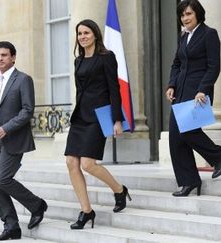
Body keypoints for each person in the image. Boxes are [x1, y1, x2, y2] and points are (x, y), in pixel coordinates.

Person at [64, 19, 131, 230]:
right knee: (71, 163)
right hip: (80, 117)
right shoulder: (78, 61)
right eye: (79, 33)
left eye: (86, 33)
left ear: (94, 34)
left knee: (88, 164)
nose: (82, 36)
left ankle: (119, 189)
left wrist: (117, 119)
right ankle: (86, 211)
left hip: (98, 116)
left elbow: (114, 89)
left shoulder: (106, 57)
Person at [0, 41, 47, 241]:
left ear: (13, 57)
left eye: (4, 55)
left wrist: (6, 129)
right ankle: (11, 226)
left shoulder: (23, 80)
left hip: (14, 138)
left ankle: (37, 205)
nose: (0, 59)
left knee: (2, 179)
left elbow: (27, 110)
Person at [165, 0, 221, 197]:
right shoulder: (183, 36)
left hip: (197, 93)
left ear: (198, 14)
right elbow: (176, 64)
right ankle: (189, 182)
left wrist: (203, 89)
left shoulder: (209, 34)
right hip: (180, 92)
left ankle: (218, 156)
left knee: (187, 132)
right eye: (182, 15)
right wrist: (171, 85)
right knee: (175, 138)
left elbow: (214, 66)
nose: (185, 18)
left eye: (188, 14)